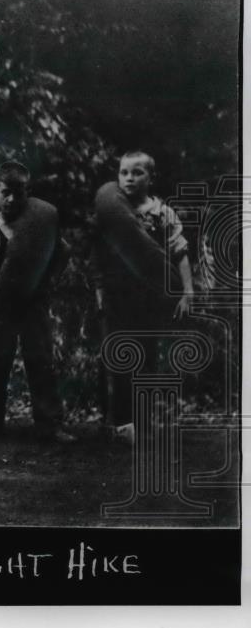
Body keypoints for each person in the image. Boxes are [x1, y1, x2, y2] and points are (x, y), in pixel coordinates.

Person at [92, 150, 194, 442]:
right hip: (117, 296)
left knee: (147, 356)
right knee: (118, 356)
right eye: (124, 172)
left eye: (137, 173)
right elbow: (97, 256)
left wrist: (187, 291)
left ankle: (144, 421)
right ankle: (120, 422)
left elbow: (180, 252)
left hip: (149, 298)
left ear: (151, 177)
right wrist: (98, 290)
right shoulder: (112, 211)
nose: (129, 179)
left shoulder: (162, 213)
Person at [0, 161, 75, 442]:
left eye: (19, 193)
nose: (12, 199)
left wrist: (48, 282)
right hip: (2, 301)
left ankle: (50, 425)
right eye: (6, 192)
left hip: (33, 302)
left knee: (40, 359)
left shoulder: (37, 224)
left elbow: (63, 251)